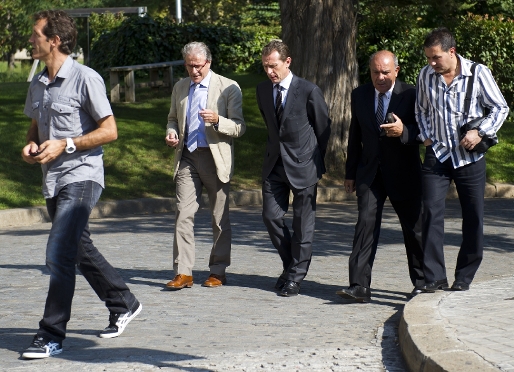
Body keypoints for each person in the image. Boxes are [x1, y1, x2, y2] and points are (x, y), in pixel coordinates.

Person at [20, 10, 141, 359]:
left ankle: (51, 334)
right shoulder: (38, 83)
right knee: (78, 246)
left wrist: (66, 143)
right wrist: (30, 147)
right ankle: (123, 302)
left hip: (83, 174)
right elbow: (34, 129)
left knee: (58, 252)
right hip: (53, 179)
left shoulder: (86, 78)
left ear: (54, 40)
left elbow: (110, 130)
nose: (31, 40)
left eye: (35, 35)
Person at [416, 28, 509, 292]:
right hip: (438, 156)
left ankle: (464, 277)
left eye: (436, 58)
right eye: (428, 58)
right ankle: (434, 277)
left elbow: (500, 107)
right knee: (430, 214)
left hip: (469, 158)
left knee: (473, 217)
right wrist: (426, 138)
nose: (432, 63)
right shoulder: (425, 75)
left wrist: (480, 132)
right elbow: (421, 110)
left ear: (452, 52)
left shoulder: (478, 73)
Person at [336, 51, 425, 303]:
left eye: (386, 72)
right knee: (364, 225)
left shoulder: (411, 94)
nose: (381, 77)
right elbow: (356, 135)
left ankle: (421, 283)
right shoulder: (359, 95)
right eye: (376, 72)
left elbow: (425, 129)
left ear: (396, 71)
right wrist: (350, 172)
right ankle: (359, 286)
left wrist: (403, 131)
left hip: (404, 173)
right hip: (370, 173)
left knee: (414, 230)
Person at [164, 42, 245, 290]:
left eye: (198, 66)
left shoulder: (228, 87)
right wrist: (171, 132)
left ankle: (218, 271)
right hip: (187, 157)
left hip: (215, 158)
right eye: (189, 66)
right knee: (183, 214)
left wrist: (218, 120)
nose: (194, 71)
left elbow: (239, 127)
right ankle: (184, 272)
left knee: (219, 218)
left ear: (208, 63)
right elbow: (172, 118)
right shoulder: (180, 86)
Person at [256, 40, 331, 297]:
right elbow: (270, 125)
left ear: (287, 62)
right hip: (274, 165)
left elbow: (323, 129)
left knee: (303, 225)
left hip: (304, 165)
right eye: (265, 66)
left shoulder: (309, 90)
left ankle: (295, 277)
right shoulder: (263, 90)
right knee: (270, 216)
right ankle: (291, 266)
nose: (269, 72)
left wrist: (315, 162)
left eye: (273, 66)